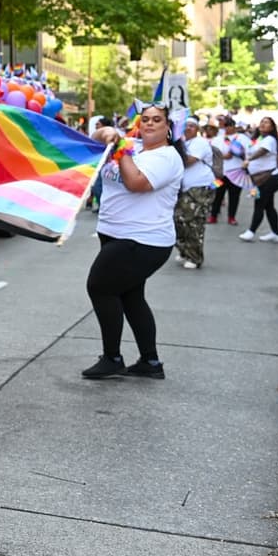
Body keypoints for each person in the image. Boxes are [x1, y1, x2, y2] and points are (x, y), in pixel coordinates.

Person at [82, 104, 184, 380]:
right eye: (146, 119)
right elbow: (95, 138)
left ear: (168, 128)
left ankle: (112, 357)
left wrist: (122, 150)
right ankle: (150, 362)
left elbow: (136, 183)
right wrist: (109, 133)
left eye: (157, 120)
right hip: (116, 233)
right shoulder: (134, 145)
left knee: (100, 287)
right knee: (130, 296)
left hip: (142, 239)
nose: (150, 124)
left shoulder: (166, 157)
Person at [173, 117, 215, 270]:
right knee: (179, 220)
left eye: (192, 126)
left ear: (197, 129)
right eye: (186, 125)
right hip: (183, 188)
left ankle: (195, 257)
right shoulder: (183, 143)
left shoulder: (200, 143)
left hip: (199, 188)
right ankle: (185, 251)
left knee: (193, 222)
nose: (189, 128)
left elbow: (188, 160)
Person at [239, 116, 278, 243]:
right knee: (269, 206)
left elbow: (262, 151)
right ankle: (276, 233)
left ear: (272, 127)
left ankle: (251, 231)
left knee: (259, 204)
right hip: (260, 179)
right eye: (262, 122)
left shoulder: (270, 140)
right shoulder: (258, 139)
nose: (263, 124)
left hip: (268, 179)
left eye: (267, 123)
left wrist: (249, 160)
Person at [208, 116, 243, 225]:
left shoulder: (241, 138)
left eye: (229, 125)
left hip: (236, 173)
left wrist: (239, 153)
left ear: (234, 126)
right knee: (217, 195)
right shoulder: (217, 139)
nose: (227, 128)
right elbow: (211, 153)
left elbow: (249, 152)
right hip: (220, 174)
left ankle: (231, 217)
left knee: (234, 196)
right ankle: (213, 216)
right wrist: (223, 156)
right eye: (225, 125)